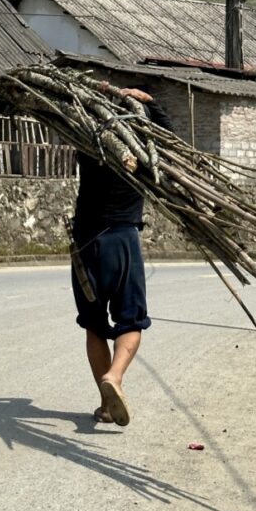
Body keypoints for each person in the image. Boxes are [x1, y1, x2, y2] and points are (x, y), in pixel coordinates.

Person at [70, 87, 172, 427]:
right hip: (123, 240)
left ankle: (105, 404)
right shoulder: (143, 152)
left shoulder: (88, 141)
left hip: (86, 242)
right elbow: (168, 140)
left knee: (94, 325)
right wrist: (151, 103)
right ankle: (114, 377)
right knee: (131, 321)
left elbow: (72, 113)